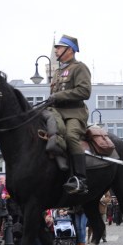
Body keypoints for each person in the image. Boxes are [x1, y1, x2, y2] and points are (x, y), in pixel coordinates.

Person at [46, 34, 91, 195]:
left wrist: (58, 96)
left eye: (59, 47)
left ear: (69, 50)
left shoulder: (79, 67)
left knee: (71, 136)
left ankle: (80, 179)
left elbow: (84, 91)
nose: (56, 50)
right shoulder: (58, 71)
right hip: (56, 112)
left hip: (74, 113)